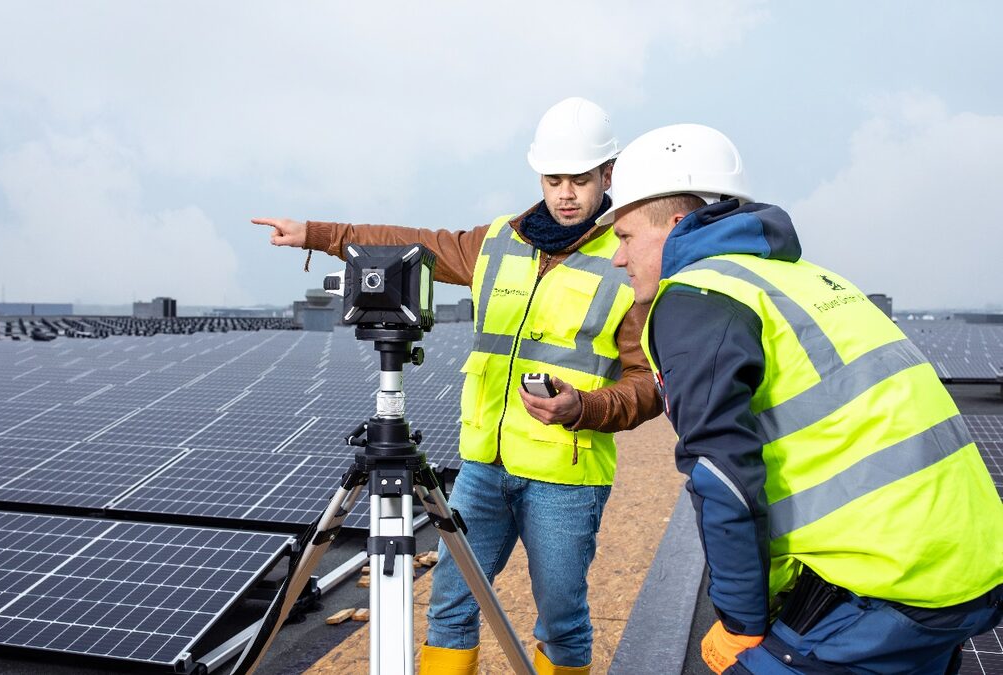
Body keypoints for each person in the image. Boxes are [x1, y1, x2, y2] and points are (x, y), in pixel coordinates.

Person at [254, 97, 663, 674]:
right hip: (482, 469)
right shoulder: (496, 242)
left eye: (580, 179)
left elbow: (648, 385)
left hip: (565, 478)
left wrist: (584, 408)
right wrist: (317, 233)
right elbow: (406, 239)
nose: (566, 193)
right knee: (449, 605)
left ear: (608, 176)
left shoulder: (625, 258)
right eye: (554, 179)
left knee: (562, 620)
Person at [603, 123, 1003, 673]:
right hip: (969, 566)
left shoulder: (698, 295)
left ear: (675, 225)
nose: (618, 258)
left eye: (624, 237)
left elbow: (721, 477)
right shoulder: (807, 279)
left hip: (893, 585)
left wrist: (743, 624)